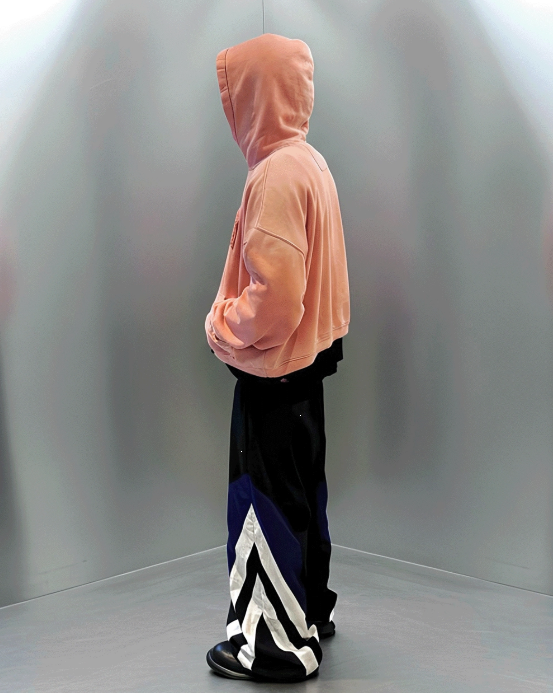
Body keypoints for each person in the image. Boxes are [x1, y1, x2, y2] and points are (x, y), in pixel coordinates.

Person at [204, 32, 350, 683]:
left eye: (235, 94)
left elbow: (276, 301)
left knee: (262, 501)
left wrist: (221, 325)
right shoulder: (310, 162)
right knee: (301, 493)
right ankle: (309, 612)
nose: (230, 109)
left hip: (274, 368)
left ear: (254, 97)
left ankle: (272, 646)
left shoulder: (273, 176)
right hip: (308, 368)